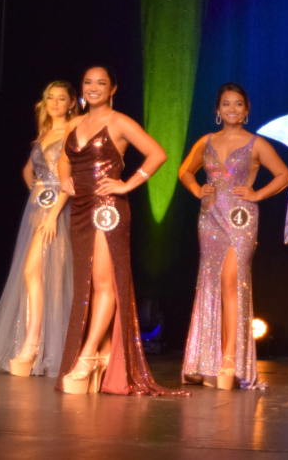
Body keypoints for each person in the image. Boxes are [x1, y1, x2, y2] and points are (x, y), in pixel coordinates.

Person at [55, 66, 183, 395]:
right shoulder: (73, 123)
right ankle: (99, 354)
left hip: (107, 210)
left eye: (101, 83)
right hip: (80, 208)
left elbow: (158, 154)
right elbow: (63, 157)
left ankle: (87, 357)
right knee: (88, 283)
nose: (93, 87)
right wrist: (63, 178)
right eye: (88, 82)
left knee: (103, 283)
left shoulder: (119, 122)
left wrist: (128, 184)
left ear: (113, 88)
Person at [179, 83, 288, 390]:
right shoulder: (206, 141)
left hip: (241, 219)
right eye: (226, 104)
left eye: (238, 104)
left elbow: (284, 175)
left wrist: (257, 194)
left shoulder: (256, 144)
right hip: (210, 219)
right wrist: (196, 189)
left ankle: (230, 358)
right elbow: (185, 171)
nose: (232, 109)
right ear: (217, 110)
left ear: (247, 109)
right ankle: (206, 361)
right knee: (211, 283)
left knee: (232, 282)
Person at [0, 81, 76, 377]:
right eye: (50, 98)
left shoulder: (70, 133)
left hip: (56, 210)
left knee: (41, 272)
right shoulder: (44, 134)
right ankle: (34, 343)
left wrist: (52, 213)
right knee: (33, 273)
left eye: (61, 99)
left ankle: (35, 345)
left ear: (72, 103)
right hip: (37, 209)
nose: (55, 103)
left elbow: (69, 180)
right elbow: (29, 169)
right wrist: (36, 190)